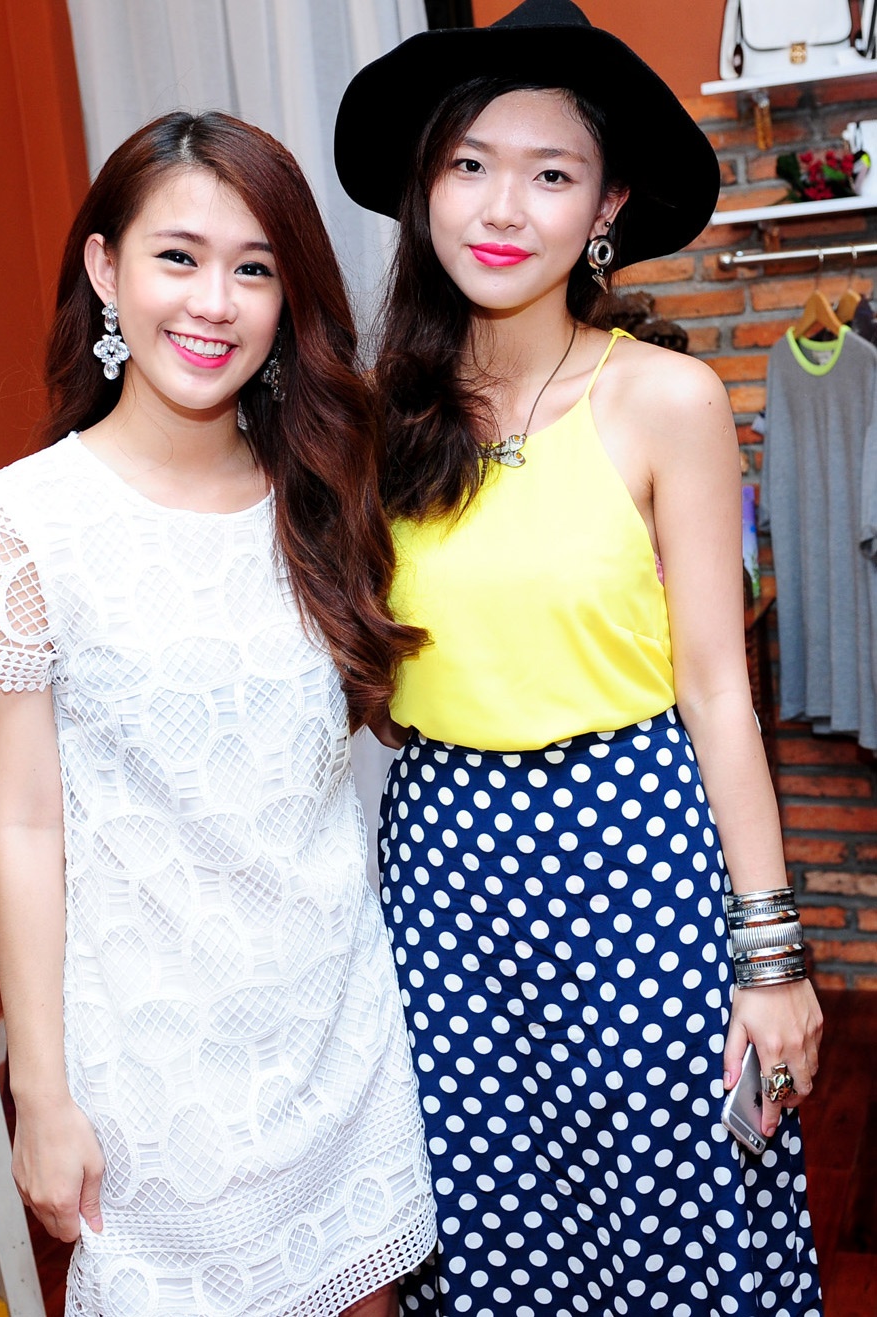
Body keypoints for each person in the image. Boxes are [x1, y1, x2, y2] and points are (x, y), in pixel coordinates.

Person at [334, 3, 824, 1314]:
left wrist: (770, 958)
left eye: (548, 174)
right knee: (486, 1224)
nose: (503, 207)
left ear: (603, 206)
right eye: (469, 164)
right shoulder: (376, 420)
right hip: (442, 871)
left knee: (677, 1213)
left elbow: (716, 689)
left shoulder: (661, 399)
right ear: (425, 186)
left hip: (634, 854)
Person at [0, 109, 436, 1317]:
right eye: (178, 257)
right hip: (156, 1080)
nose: (214, 302)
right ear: (106, 269)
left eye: (253, 269)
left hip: (343, 1042)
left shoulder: (323, 488)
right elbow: (28, 827)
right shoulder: (23, 522)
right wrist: (41, 1095)